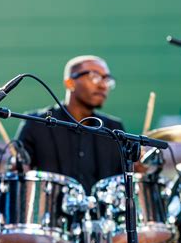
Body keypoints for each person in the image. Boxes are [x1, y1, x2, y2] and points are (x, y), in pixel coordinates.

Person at [16, 55, 124, 194]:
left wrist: (137, 170)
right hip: (52, 213)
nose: (103, 85)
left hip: (101, 215)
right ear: (70, 83)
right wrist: (18, 168)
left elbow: (121, 181)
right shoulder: (36, 123)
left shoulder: (114, 129)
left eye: (107, 79)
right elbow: (20, 172)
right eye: (94, 76)